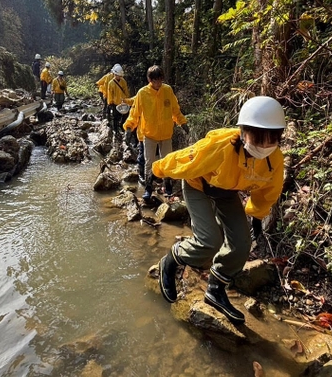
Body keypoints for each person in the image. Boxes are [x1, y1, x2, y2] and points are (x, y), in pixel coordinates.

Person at [152, 96, 286, 326]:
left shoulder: (274, 159)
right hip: (198, 186)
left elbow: (269, 190)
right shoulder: (220, 146)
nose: (264, 146)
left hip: (227, 192)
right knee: (210, 242)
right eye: (258, 138)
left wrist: (256, 214)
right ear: (243, 132)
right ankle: (171, 260)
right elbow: (185, 159)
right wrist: (157, 170)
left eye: (271, 139)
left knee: (242, 245)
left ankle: (215, 288)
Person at [123, 65, 187, 200]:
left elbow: (175, 110)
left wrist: (183, 123)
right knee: (149, 162)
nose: (157, 83)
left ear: (162, 79)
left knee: (167, 160)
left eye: (160, 80)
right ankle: (148, 188)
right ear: (149, 80)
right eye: (155, 81)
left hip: (166, 134)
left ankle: (168, 187)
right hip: (149, 135)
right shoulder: (142, 93)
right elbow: (134, 113)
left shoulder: (167, 90)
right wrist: (129, 128)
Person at [106, 64, 130, 137]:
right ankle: (116, 130)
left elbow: (126, 91)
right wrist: (110, 103)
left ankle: (122, 127)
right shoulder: (111, 83)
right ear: (114, 74)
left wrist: (128, 100)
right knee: (115, 117)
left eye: (119, 75)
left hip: (123, 102)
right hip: (115, 103)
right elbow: (110, 94)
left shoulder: (123, 81)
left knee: (125, 115)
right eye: (117, 75)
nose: (118, 76)